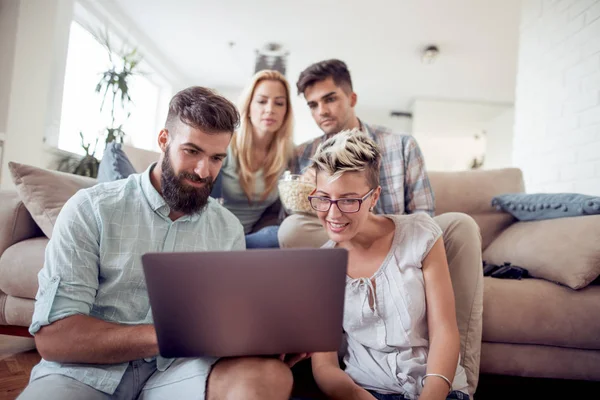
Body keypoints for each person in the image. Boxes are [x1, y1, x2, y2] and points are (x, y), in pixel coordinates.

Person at [18, 86, 299, 400]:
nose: (204, 171)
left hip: (178, 375)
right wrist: (171, 334)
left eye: (217, 157)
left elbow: (225, 323)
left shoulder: (227, 228)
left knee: (268, 377)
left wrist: (265, 338)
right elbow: (55, 339)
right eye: (191, 151)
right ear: (164, 140)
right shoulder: (91, 209)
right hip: (85, 374)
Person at [278, 59, 483, 396]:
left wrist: (382, 229)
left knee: (456, 225)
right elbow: (325, 369)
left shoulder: (401, 144)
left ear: (351, 98)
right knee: (292, 229)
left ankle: (454, 377)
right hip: (339, 249)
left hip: (402, 232)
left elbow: (424, 215)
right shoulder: (305, 155)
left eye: (329, 99)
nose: (321, 111)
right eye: (312, 105)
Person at [308, 129, 469, 400]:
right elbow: (324, 366)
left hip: (436, 388)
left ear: (373, 197)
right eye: (324, 198)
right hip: (366, 391)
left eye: (348, 200)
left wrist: (433, 394)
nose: (333, 214)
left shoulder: (421, 234)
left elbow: (444, 329)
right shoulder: (321, 266)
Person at [213, 70, 294, 248]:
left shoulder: (288, 155)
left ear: (286, 112)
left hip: (252, 240)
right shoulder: (225, 144)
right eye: (262, 101)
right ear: (249, 106)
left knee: (281, 234)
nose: (270, 109)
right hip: (214, 234)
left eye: (279, 103)